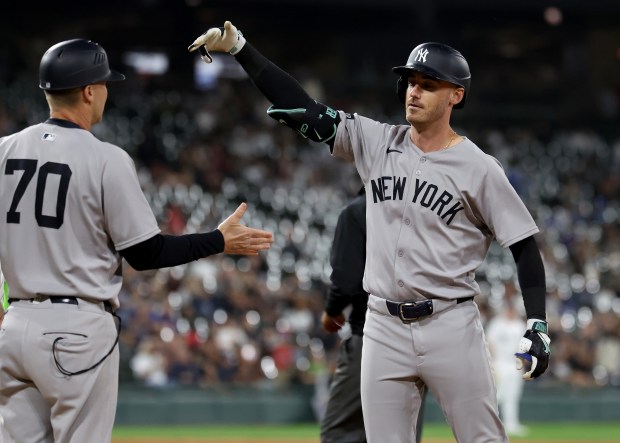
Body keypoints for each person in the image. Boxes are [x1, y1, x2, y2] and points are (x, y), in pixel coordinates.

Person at [188, 21, 551, 442]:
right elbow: (305, 108)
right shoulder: (377, 142)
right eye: (411, 82)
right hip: (382, 326)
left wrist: (538, 324)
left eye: (428, 84)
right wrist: (241, 48)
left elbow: (524, 246)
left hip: (450, 323)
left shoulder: (480, 168)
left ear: (456, 95)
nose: (414, 91)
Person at [0, 38, 273, 443]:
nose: (107, 92)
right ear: (89, 90)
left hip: (15, 326)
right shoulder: (105, 158)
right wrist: (217, 240)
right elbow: (146, 253)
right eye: (105, 84)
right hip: (75, 329)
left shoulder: (4, 150)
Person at [320, 186, 426, 443]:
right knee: (400, 433)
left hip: (372, 335)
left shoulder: (358, 210)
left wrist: (331, 311)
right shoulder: (421, 210)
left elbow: (345, 279)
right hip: (422, 339)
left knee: (342, 432)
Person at [486, 294, 529, 437]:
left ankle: (512, 425)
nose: (511, 310)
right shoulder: (497, 323)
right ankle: (490, 424)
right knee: (499, 395)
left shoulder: (520, 325)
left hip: (515, 364)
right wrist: (492, 363)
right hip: (500, 363)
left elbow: (525, 346)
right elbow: (489, 342)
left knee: (513, 395)